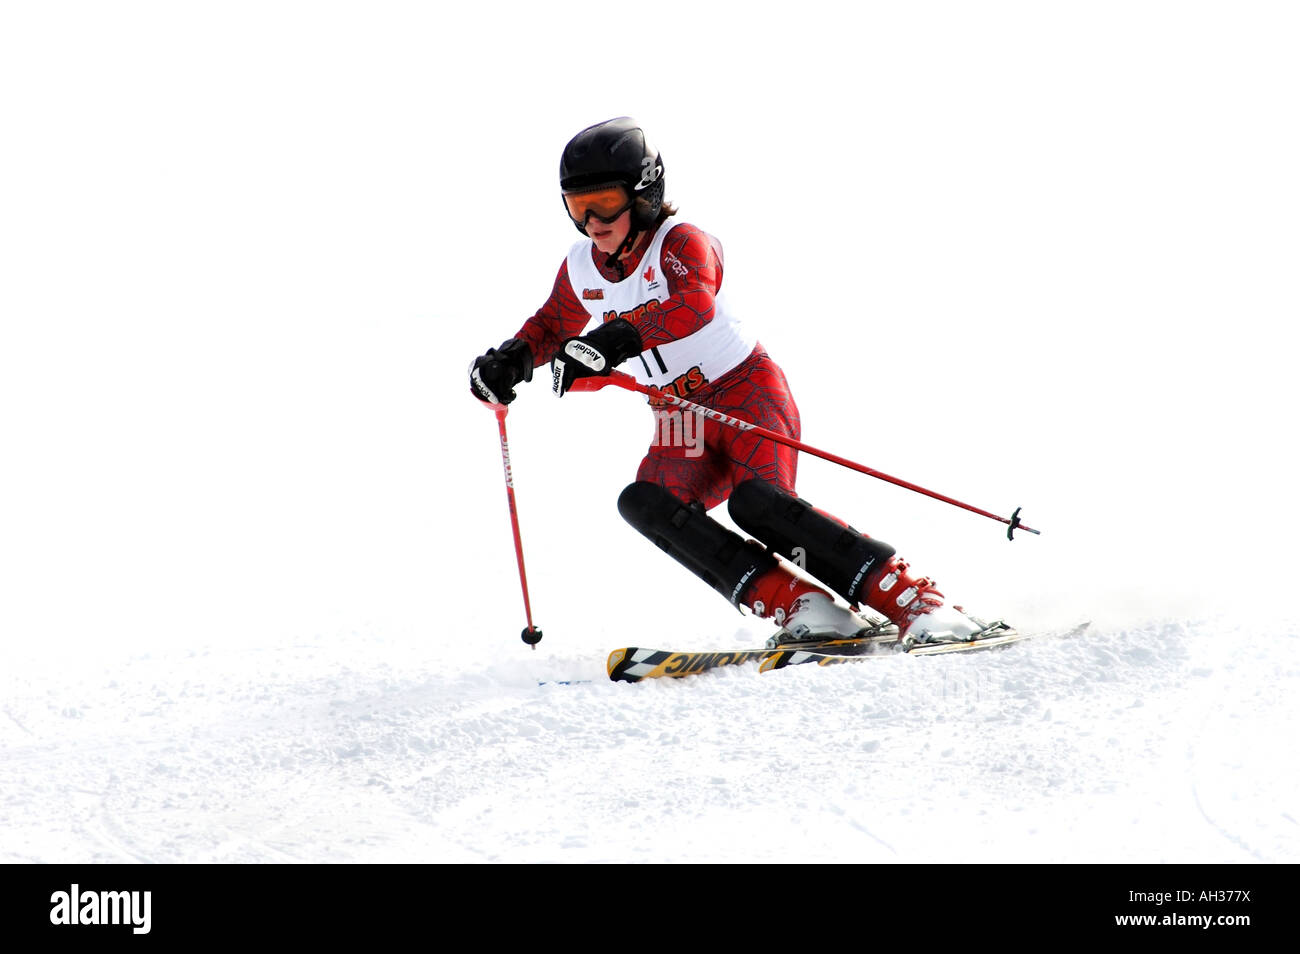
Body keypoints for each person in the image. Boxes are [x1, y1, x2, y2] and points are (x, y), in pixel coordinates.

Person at [470, 117, 992, 646]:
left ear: (645, 192)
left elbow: (691, 305)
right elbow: (552, 324)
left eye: (604, 201)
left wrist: (614, 341)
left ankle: (917, 602)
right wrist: (509, 362)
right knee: (646, 501)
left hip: (744, 394)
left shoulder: (681, 243)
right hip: (679, 418)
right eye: (577, 205)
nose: (591, 221)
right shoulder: (582, 264)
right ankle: (805, 607)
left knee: (758, 504)